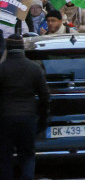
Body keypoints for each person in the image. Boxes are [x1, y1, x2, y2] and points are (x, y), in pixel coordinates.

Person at [0, 35, 50, 180]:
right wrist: (42, 117)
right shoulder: (34, 69)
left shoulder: (2, 69)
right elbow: (45, 96)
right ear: (22, 48)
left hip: (5, 119)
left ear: (7, 49)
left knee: (4, 157)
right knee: (27, 155)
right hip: (28, 118)